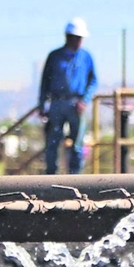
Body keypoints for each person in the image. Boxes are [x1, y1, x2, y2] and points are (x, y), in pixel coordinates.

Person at [38, 18, 98, 174]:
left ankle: (75, 177)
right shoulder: (54, 56)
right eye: (76, 38)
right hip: (57, 104)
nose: (79, 41)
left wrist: (84, 100)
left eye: (81, 38)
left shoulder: (86, 57)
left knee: (77, 144)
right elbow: (45, 81)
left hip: (76, 104)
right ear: (68, 37)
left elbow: (93, 80)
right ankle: (52, 176)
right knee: (53, 142)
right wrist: (42, 104)